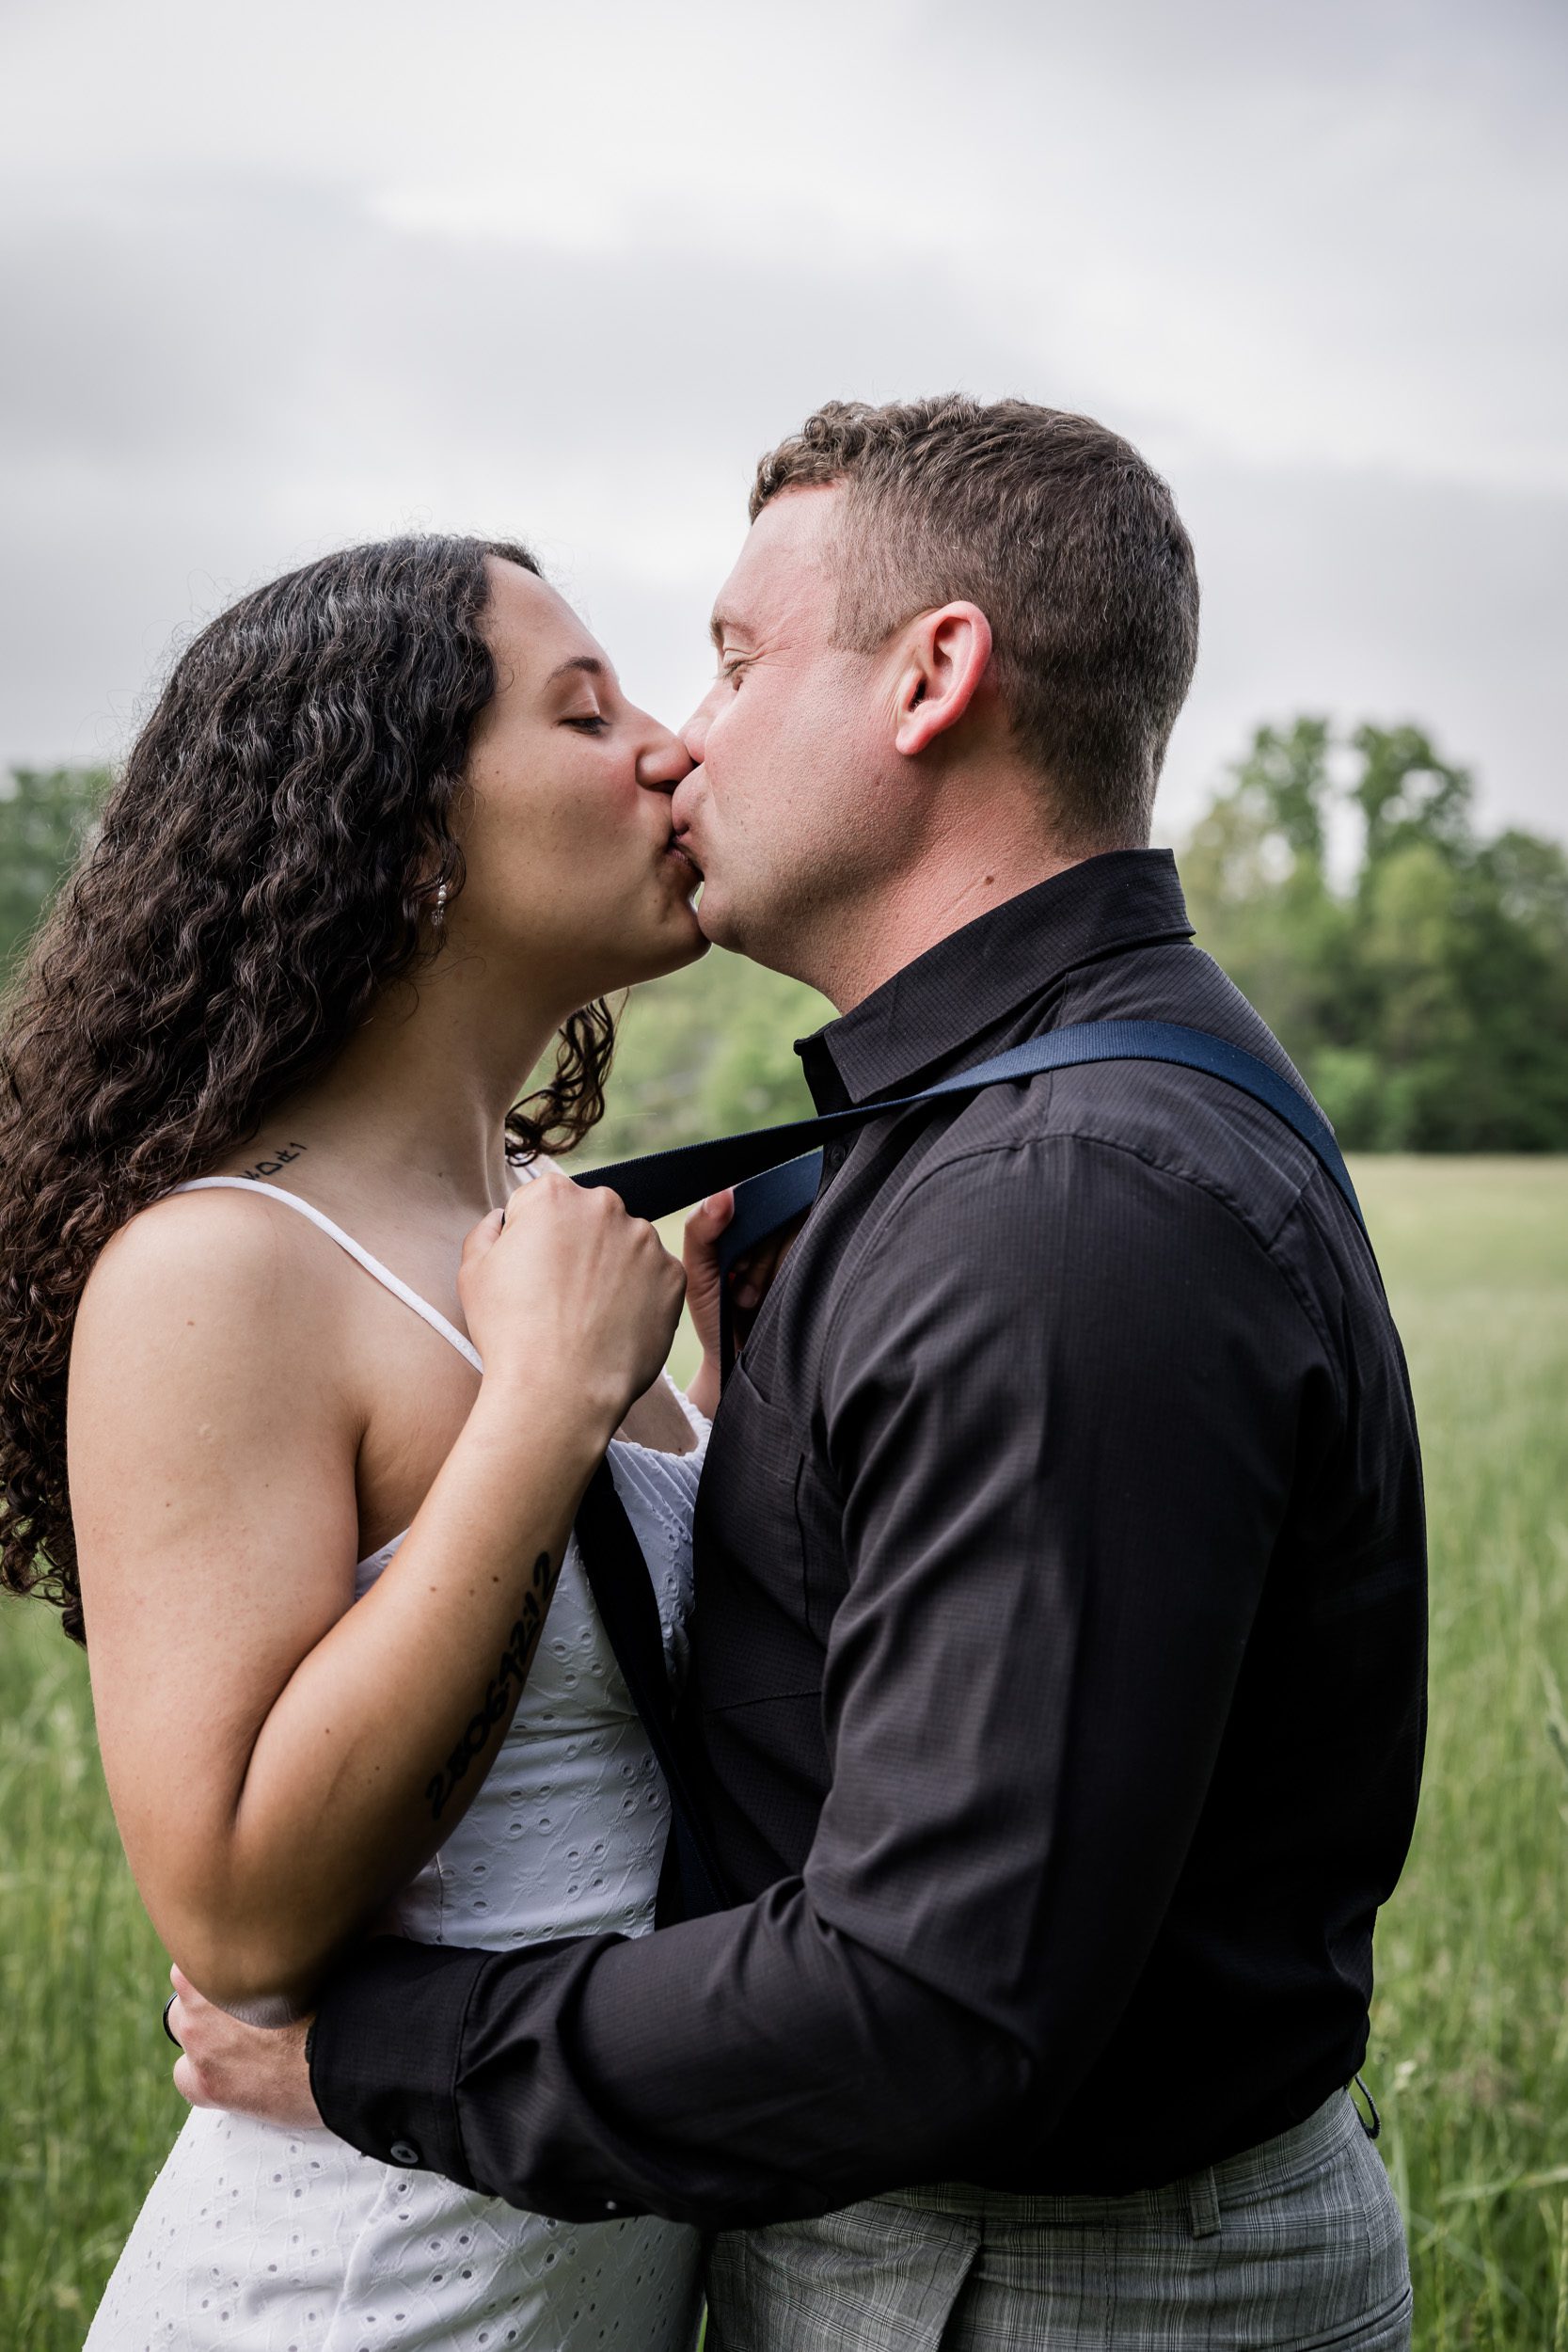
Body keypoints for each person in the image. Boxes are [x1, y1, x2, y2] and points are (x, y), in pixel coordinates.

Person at [172, 398, 1423, 2350]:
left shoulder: (1054, 1204)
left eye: (738, 660)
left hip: (1027, 2283)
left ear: (934, 677)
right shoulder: (1003, 1142)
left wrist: (372, 2050)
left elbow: (935, 1995)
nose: (687, 736)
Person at [0, 532, 746, 2349]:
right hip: (346, 2300)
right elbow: (244, 1923)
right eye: (587, 714)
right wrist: (544, 1414)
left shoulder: (555, 1251)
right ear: (406, 833)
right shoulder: (221, 1268)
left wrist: (728, 1413)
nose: (672, 747)